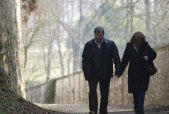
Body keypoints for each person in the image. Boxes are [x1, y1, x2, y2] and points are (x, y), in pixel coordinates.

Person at [82, 26, 121, 114]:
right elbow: (84, 59)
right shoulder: (89, 45)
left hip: (105, 72)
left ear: (103, 34)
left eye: (100, 35)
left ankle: (103, 110)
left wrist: (118, 70)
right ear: (94, 35)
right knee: (92, 91)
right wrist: (85, 71)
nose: (98, 37)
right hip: (92, 73)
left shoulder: (110, 44)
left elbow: (116, 58)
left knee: (104, 93)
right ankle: (93, 110)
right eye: (96, 35)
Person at [118, 32, 157, 114]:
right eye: (136, 43)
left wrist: (148, 57)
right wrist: (119, 72)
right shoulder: (129, 47)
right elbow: (125, 60)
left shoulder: (145, 45)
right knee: (135, 93)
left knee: (142, 91)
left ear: (142, 41)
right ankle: (137, 109)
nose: (138, 44)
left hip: (144, 73)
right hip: (133, 73)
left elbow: (154, 54)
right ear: (133, 41)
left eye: (139, 42)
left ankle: (140, 110)